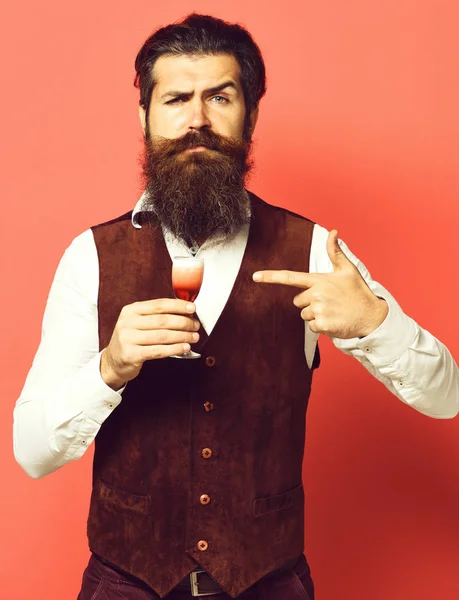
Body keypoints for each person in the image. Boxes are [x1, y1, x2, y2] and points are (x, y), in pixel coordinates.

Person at [13, 13, 458, 600]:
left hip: (269, 582)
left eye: (219, 96)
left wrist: (376, 322)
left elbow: (446, 397)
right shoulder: (91, 256)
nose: (197, 120)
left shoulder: (316, 250)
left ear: (250, 113)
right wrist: (109, 368)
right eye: (175, 99)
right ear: (144, 115)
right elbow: (32, 453)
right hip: (126, 583)